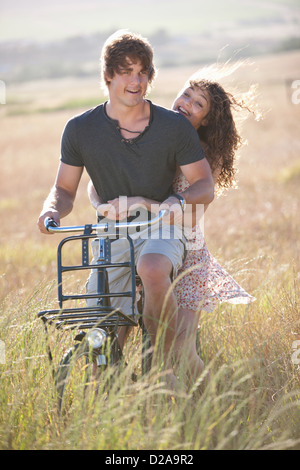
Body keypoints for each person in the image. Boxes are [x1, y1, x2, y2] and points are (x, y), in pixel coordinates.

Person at [37, 31, 214, 389]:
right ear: (108, 76)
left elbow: (204, 186)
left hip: (163, 225)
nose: (136, 81)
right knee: (103, 322)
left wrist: (175, 202)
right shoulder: (80, 129)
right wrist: (51, 210)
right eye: (126, 71)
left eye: (143, 72)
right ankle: (111, 394)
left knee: (151, 266)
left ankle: (162, 371)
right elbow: (64, 188)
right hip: (112, 230)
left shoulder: (174, 127)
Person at [88, 62, 257, 390]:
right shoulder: (153, 131)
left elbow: (188, 214)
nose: (186, 104)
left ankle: (211, 399)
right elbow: (104, 175)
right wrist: (102, 203)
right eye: (186, 95)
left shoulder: (203, 155)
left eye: (198, 104)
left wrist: (140, 202)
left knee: (181, 348)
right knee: (115, 333)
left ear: (206, 120)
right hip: (141, 240)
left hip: (185, 253)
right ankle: (121, 391)